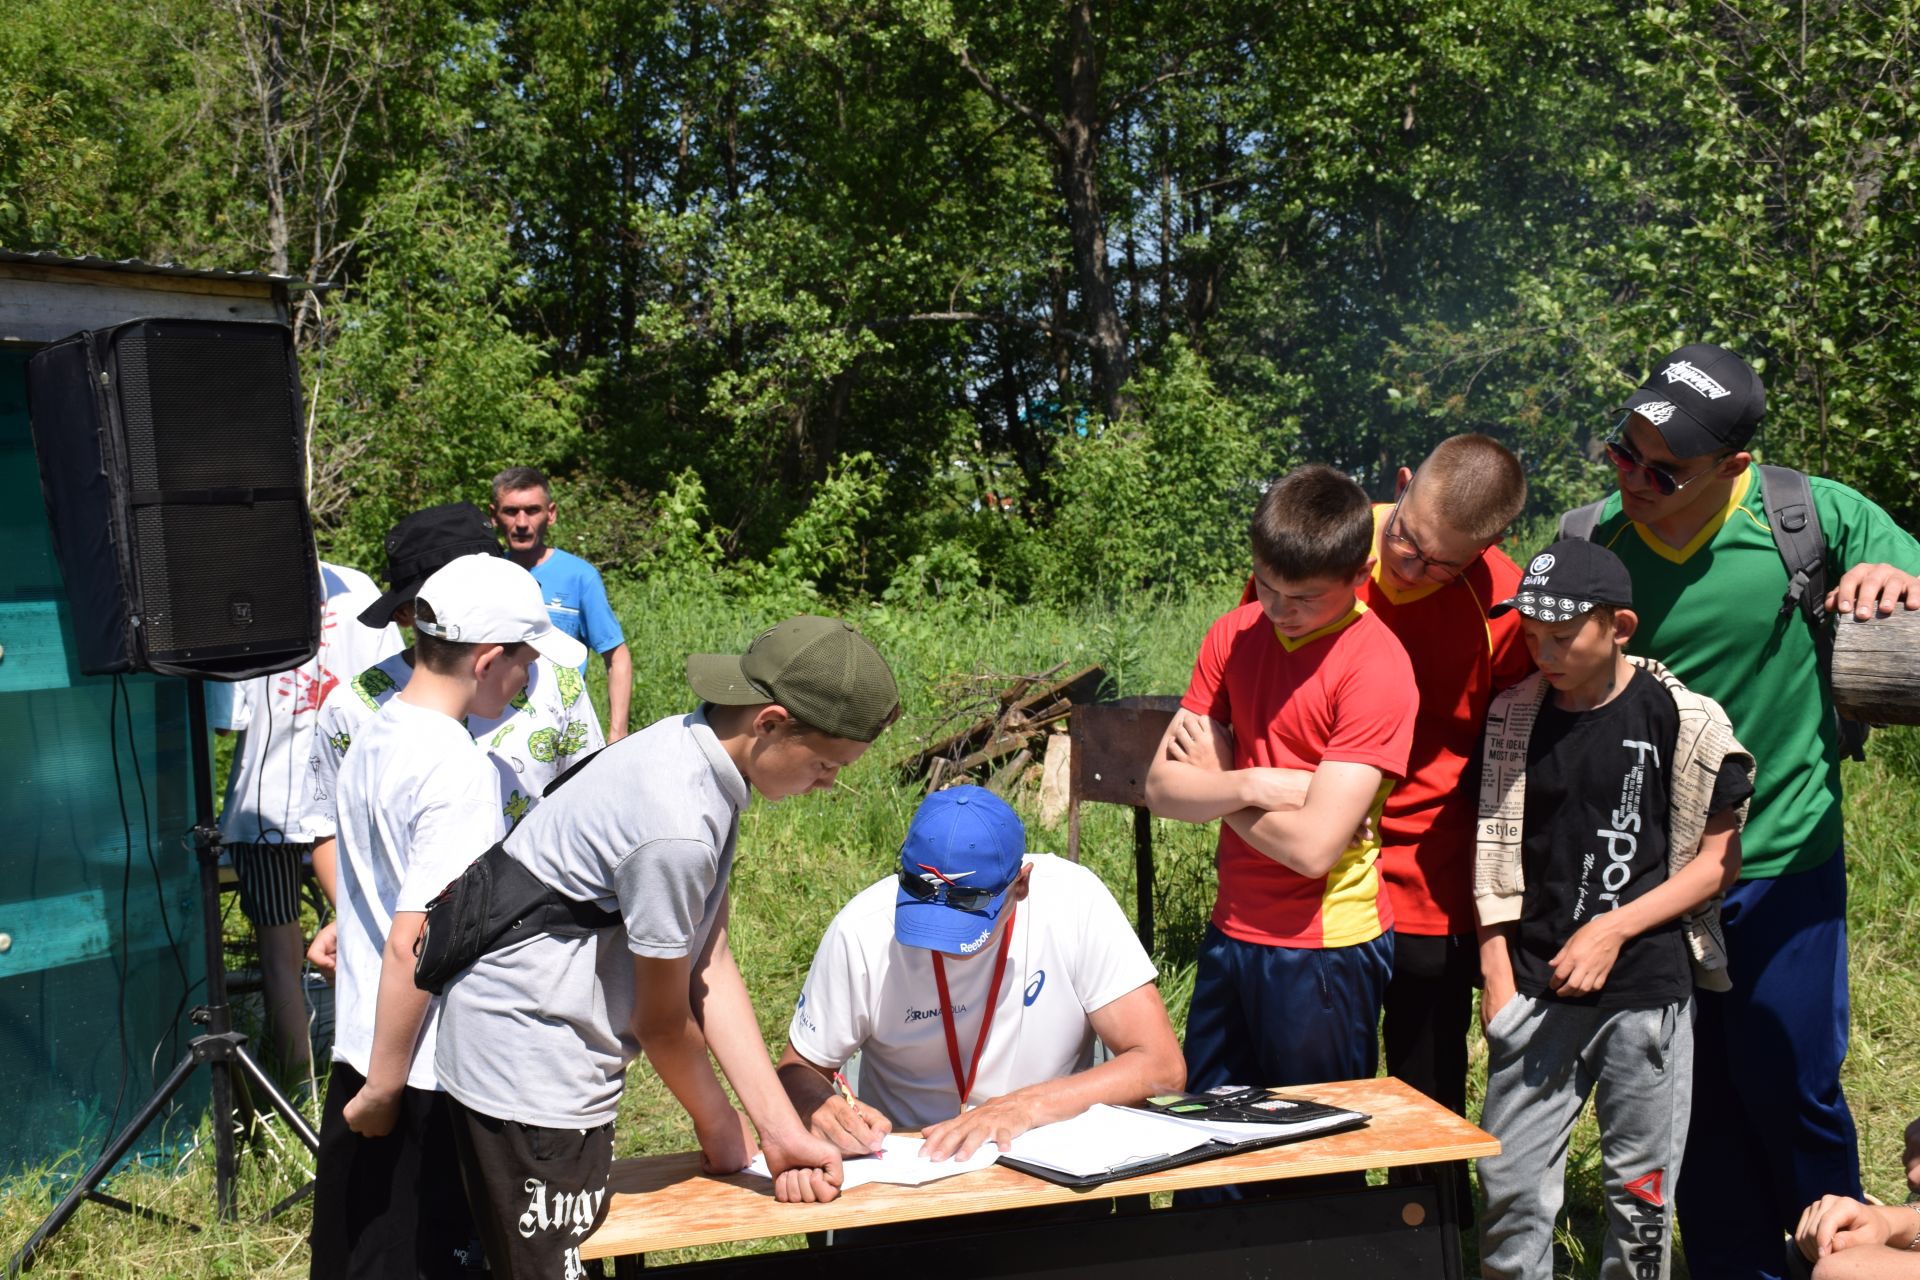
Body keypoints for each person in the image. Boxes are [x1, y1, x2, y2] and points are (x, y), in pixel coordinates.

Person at [1569, 343, 1920, 1278]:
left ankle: (1841, 1259)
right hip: (1654, 878)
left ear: (1733, 467)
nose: (1636, 478)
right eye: (1623, 452)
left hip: (1783, 856)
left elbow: (1903, 561)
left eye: (1664, 468)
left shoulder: (1805, 514)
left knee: (1790, 1079)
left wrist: (1892, 575)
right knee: (1695, 1094)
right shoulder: (1592, 545)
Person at [434, 616, 902, 1277]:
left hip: (545, 1052)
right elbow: (661, 1020)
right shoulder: (679, 824)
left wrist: (781, 1132)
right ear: (767, 723)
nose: (830, 782)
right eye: (827, 763)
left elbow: (707, 959)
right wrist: (721, 1127)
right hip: (529, 1070)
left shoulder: (695, 754)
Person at [1473, 538, 1752, 1280]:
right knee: (1510, 1183)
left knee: (1641, 1192)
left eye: (1562, 638)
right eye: (1531, 637)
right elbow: (1492, 853)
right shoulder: (1513, 720)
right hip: (1536, 991)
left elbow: (1720, 862)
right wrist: (1497, 978)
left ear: (1620, 627)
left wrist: (1615, 926)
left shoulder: (1682, 721)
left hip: (1643, 992)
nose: (1544, 654)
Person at [312, 553, 583, 1280]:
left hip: (367, 1041)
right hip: (420, 1071)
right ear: (488, 658)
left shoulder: (377, 729)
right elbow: (418, 941)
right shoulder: (457, 768)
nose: (528, 679)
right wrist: (386, 1087)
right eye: (525, 660)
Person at [1145, 464, 1417, 1103]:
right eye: (1266, 587)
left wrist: (1218, 786)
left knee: (1312, 1158)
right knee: (1209, 1138)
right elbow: (1160, 788)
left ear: (1360, 576)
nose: (1277, 610)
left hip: (1325, 945)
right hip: (1232, 928)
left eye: (1303, 598)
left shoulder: (1377, 668)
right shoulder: (1232, 635)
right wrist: (1258, 784)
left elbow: (1312, 850)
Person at [777, 785, 1185, 1164]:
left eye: (968, 910)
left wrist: (1026, 1107)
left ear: (1020, 885)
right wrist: (822, 1107)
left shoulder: (1075, 902)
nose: (941, 942)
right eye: (921, 900)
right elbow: (799, 1070)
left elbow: (1162, 1067)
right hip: (912, 1171)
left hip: (1048, 1167)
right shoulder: (862, 929)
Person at [304, 503, 605, 979]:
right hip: (410, 962)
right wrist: (360, 921)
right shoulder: (357, 708)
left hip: (540, 950)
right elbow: (327, 826)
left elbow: (588, 803)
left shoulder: (556, 682)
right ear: (409, 612)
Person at [1349, 433, 1532, 1212]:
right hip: (1315, 867)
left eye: (1440, 564)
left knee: (1425, 1078)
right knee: (1321, 1074)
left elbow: (1513, 766)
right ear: (1398, 486)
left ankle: (1430, 1231)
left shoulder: (1506, 605)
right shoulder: (1328, 541)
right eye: (1405, 541)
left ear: (1487, 550)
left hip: (1432, 876)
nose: (1407, 568)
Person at [211, 559, 400, 1076]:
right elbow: (391, 691)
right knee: (369, 935)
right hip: (347, 795)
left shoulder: (236, 594)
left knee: (280, 954)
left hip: (264, 805)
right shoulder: (357, 585)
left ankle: (297, 1081)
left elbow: (226, 722)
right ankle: (373, 1065)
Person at [490, 466, 632, 742]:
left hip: (562, 726)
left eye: (532, 510)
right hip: (496, 723)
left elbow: (617, 656)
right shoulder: (488, 573)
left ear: (550, 513)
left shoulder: (579, 577)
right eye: (511, 511)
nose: (521, 522)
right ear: (494, 515)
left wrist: (617, 735)